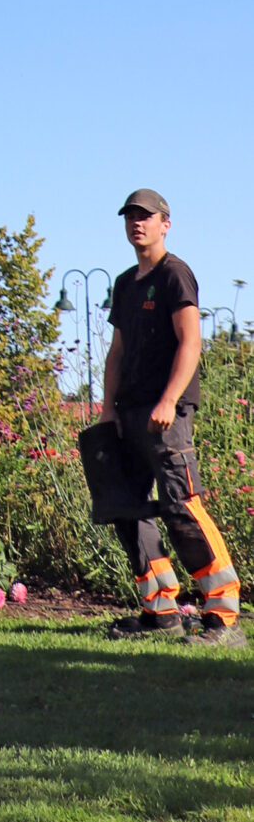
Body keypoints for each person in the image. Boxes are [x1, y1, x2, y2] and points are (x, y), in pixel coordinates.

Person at [81, 189, 242, 644]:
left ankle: (224, 617)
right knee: (128, 511)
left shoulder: (175, 274)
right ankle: (161, 612)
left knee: (182, 507)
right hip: (128, 413)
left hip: (167, 415)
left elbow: (191, 342)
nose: (137, 223)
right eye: (131, 217)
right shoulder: (125, 283)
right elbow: (117, 352)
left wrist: (170, 400)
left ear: (165, 224)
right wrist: (108, 408)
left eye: (146, 216)